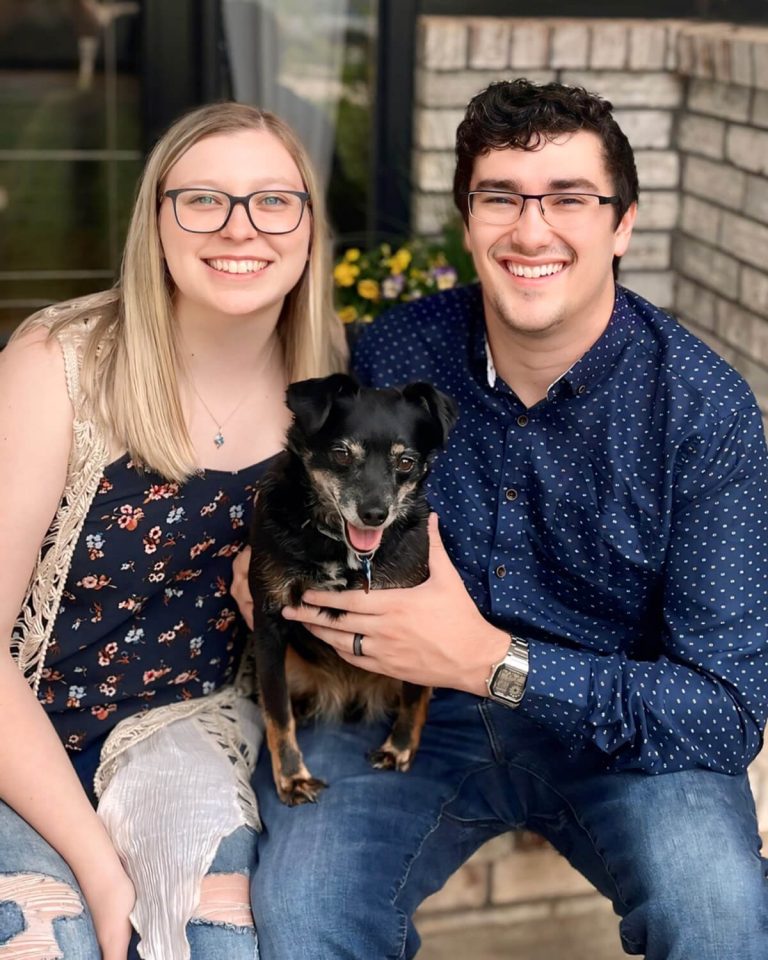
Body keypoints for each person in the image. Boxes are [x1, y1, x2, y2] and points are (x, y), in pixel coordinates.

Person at [240, 79, 768, 960]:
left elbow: (724, 710)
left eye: (569, 199)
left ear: (622, 224)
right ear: (468, 217)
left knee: (720, 917)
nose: (530, 230)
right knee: (303, 919)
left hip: (614, 728)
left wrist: (496, 662)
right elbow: (318, 486)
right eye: (500, 198)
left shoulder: (702, 410)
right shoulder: (398, 353)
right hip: (400, 708)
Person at [0, 101, 344, 960]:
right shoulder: (62, 363)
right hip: (18, 732)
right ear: (157, 221)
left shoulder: (326, 394)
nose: (241, 228)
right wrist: (98, 864)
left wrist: (296, 614)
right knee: (61, 939)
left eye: (273, 200)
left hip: (178, 735)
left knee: (219, 943)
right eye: (203, 200)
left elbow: (330, 651)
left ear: (308, 226)